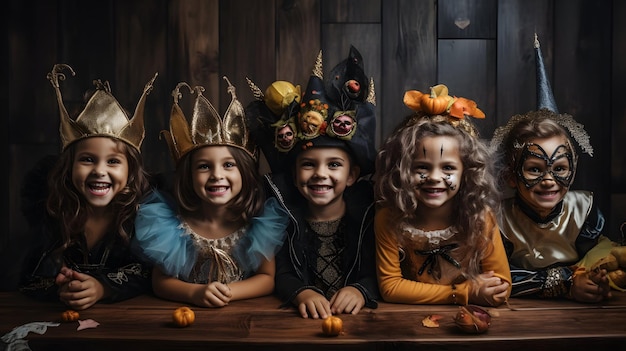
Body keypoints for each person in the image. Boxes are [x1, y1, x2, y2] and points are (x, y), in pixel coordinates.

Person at [245, 47, 380, 319]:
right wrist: (300, 291)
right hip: (301, 324)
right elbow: (281, 270)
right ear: (294, 175)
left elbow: (380, 270)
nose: (320, 173)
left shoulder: (369, 214)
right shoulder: (282, 215)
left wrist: (361, 290)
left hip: (361, 323)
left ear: (352, 175)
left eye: (334, 165)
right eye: (308, 164)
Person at [489, 35, 624, 302]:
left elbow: (595, 257)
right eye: (535, 170)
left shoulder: (583, 211)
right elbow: (499, 276)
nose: (549, 180)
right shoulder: (497, 219)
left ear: (573, 167)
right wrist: (566, 283)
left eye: (559, 168)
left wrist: (597, 280)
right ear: (511, 176)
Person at [132, 78, 289, 308]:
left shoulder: (256, 223)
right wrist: (195, 293)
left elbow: (266, 279)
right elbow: (160, 281)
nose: (217, 175)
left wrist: (228, 292)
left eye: (228, 165)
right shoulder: (171, 225)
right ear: (189, 175)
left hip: (243, 321)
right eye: (204, 166)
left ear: (245, 173)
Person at [19, 64, 158, 310]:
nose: (99, 171)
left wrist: (103, 287)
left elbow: (150, 274)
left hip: (128, 324)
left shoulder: (140, 216)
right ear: (69, 167)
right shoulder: (54, 212)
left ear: (130, 171)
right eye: (87, 160)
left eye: (113, 161)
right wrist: (61, 286)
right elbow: (29, 278)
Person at [374, 84, 511, 307]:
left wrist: (485, 292)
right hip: (404, 321)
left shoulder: (480, 217)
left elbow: (502, 285)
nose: (434, 177)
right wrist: (462, 293)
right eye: (422, 167)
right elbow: (391, 287)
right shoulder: (389, 218)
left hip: (470, 318)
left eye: (447, 168)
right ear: (403, 170)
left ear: (466, 172)